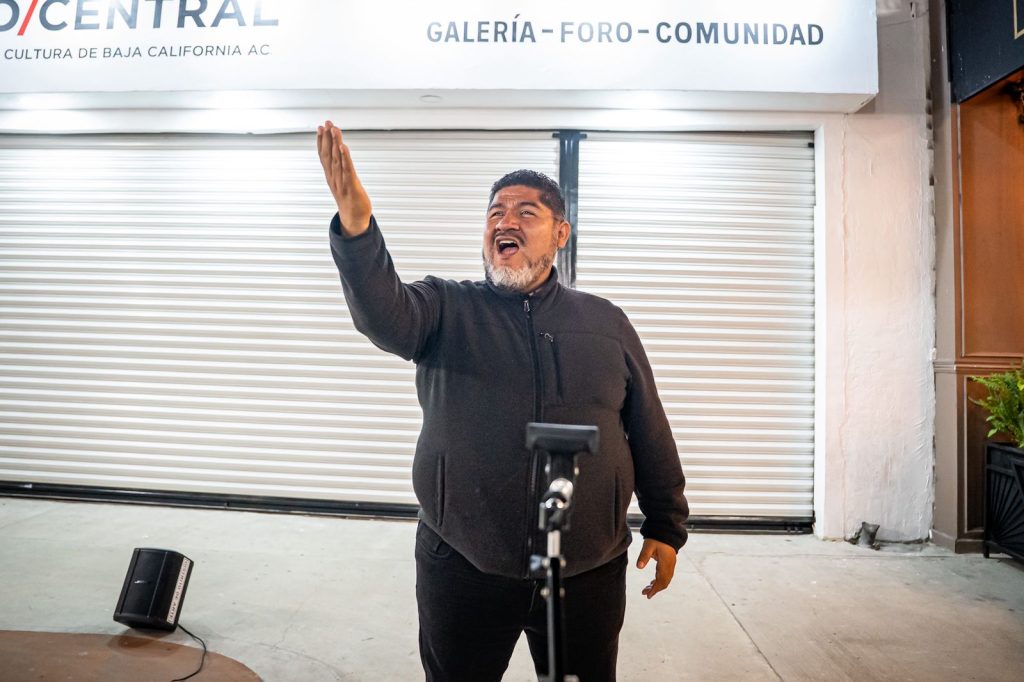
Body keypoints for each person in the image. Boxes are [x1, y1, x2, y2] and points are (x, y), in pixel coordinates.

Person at [316, 121, 689, 682]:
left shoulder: (605, 322)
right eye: (495, 213)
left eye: (525, 212)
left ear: (561, 233)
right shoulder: (445, 307)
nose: (505, 221)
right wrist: (358, 227)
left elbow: (647, 426)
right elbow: (382, 313)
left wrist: (666, 522)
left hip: (585, 570)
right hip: (464, 563)